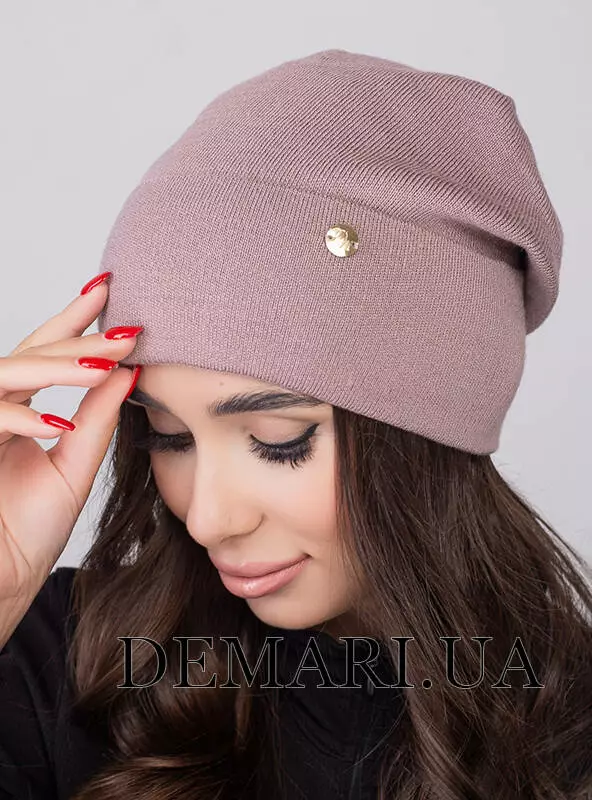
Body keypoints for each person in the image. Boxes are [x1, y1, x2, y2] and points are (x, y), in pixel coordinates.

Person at [0, 47, 591, 800]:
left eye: (279, 441)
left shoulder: (571, 735)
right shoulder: (63, 661)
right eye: (167, 436)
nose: (208, 518)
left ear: (430, 436)